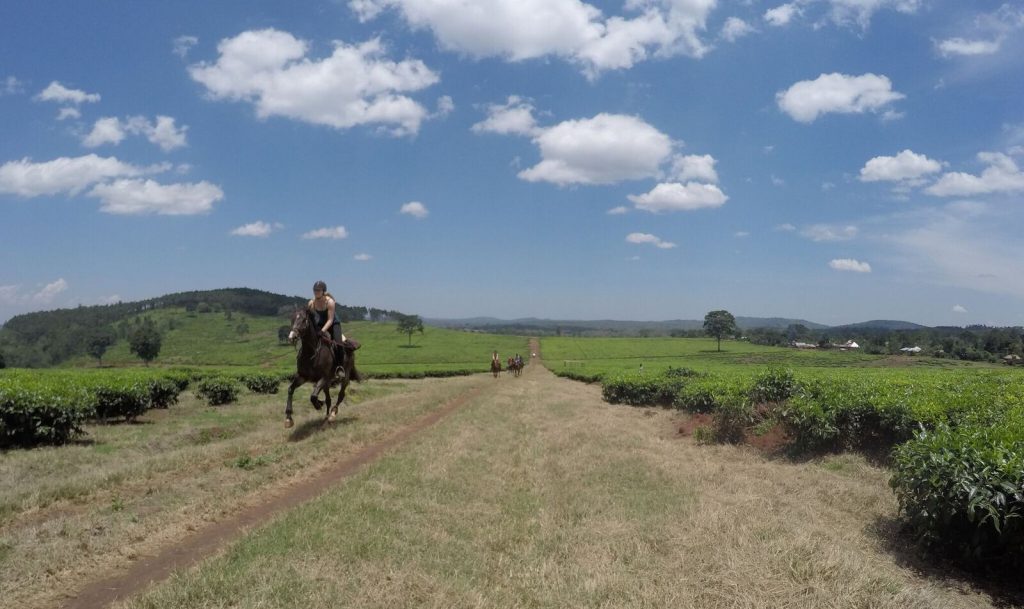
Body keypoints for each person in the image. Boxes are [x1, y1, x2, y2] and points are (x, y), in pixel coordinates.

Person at [309, 280, 344, 380]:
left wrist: (322, 331)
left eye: (318, 290)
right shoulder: (311, 303)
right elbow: (311, 318)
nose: (316, 292)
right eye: (315, 290)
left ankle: (339, 367)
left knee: (338, 344)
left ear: (323, 291)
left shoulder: (330, 302)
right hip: (320, 324)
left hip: (333, 324)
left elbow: (330, 320)